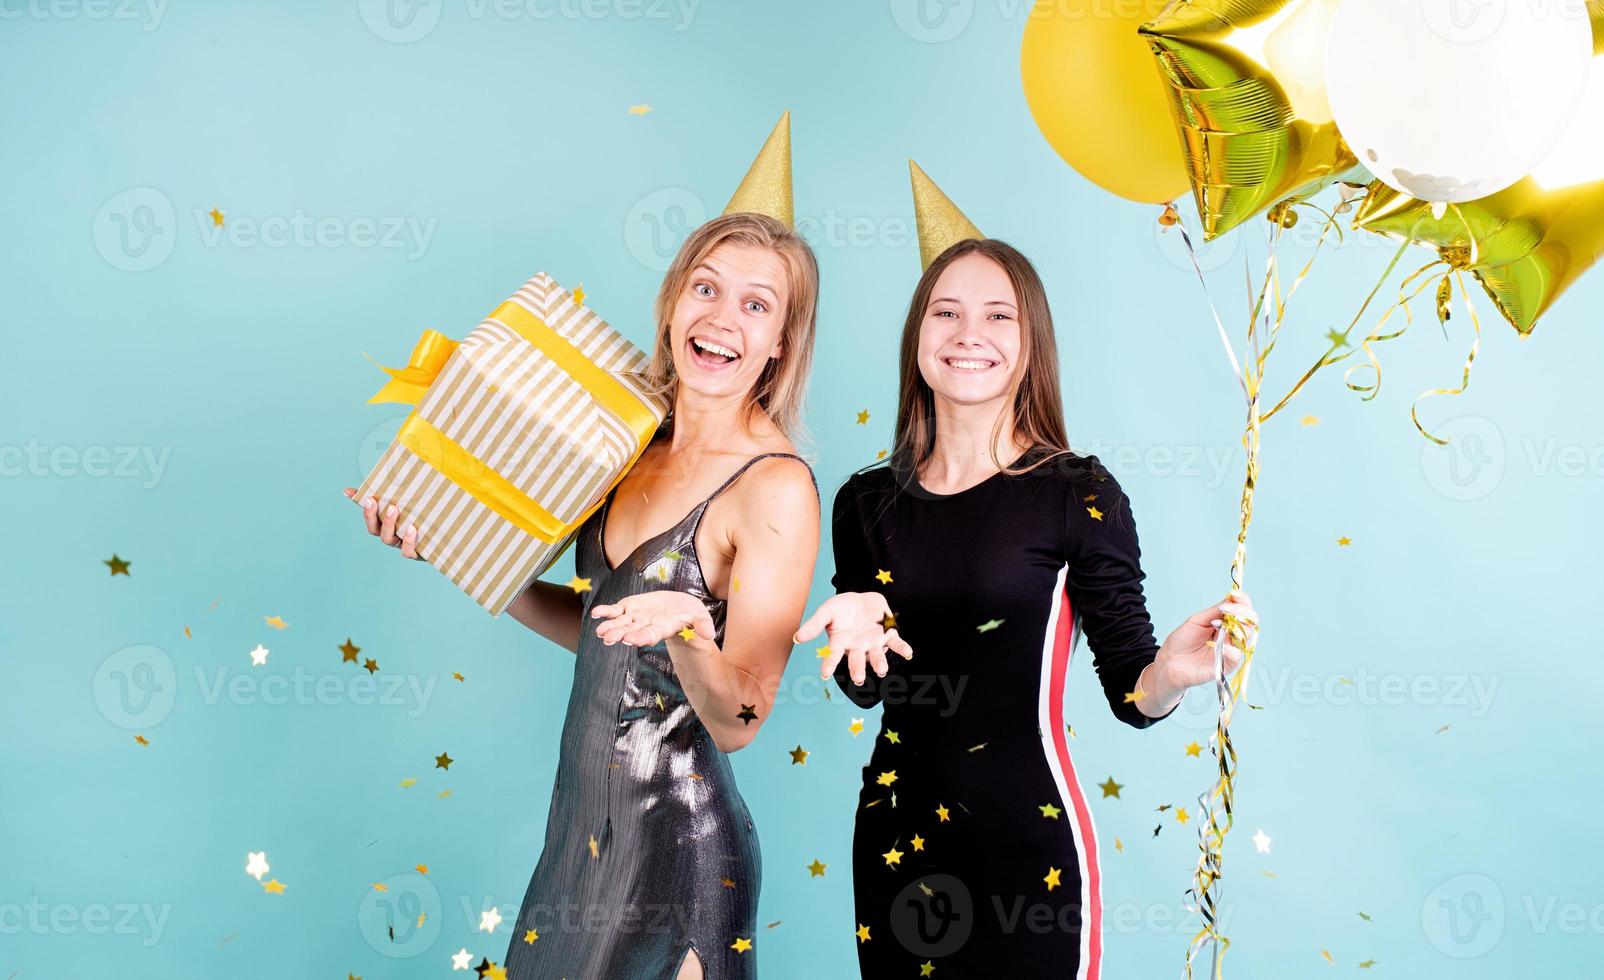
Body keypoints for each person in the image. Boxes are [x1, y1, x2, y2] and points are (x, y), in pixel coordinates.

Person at [344, 116, 821, 980]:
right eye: (706, 289)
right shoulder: (630, 444)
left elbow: (744, 720)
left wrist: (691, 629)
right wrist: (448, 546)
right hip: (580, 839)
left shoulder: (774, 486)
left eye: (757, 305)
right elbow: (602, 627)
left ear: (781, 341)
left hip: (679, 854)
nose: (722, 320)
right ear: (674, 301)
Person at [794, 164, 1259, 979]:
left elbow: (1130, 692)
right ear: (918, 336)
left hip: (1027, 853)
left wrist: (1171, 674)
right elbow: (869, 690)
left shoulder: (1077, 492)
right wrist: (855, 634)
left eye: (997, 315)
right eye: (947, 312)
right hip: (899, 845)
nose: (968, 333)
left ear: (1029, 342)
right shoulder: (863, 501)